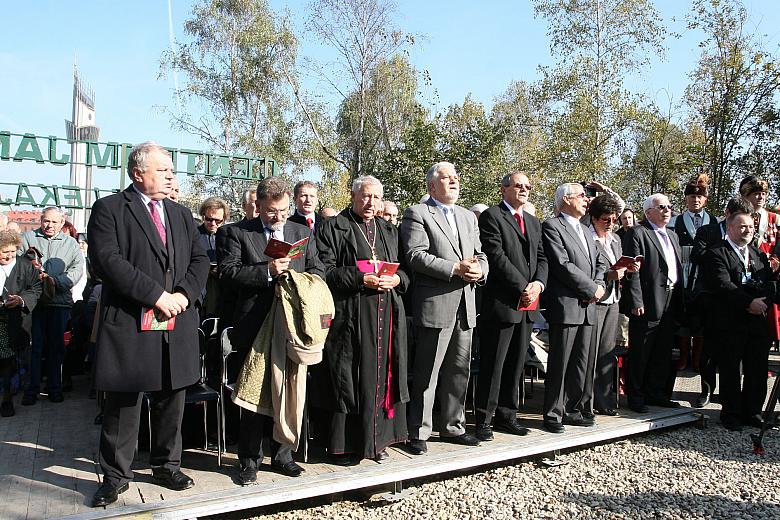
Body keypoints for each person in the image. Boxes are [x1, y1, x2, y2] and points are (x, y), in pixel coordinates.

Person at [87, 141, 209, 507]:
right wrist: (156, 296)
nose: (171, 175)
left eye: (171, 169)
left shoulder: (181, 214)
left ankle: (166, 465)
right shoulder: (109, 209)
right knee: (124, 403)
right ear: (138, 173)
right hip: (131, 320)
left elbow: (200, 259)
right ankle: (115, 476)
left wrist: (184, 296)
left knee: (172, 395)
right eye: (163, 169)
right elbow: (108, 261)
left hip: (176, 320)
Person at [217, 176, 323, 483]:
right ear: (258, 206)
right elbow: (227, 272)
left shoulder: (300, 231)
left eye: (283, 210)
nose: (278, 217)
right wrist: (266, 271)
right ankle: (249, 459)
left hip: (291, 324)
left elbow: (317, 269)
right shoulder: (235, 232)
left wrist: (300, 280)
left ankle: (282, 455)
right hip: (254, 324)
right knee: (254, 392)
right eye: (270, 212)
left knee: (289, 388)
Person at [313, 175, 410, 463]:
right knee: (350, 379)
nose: (371, 203)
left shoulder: (389, 230)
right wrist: (360, 278)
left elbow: (406, 271)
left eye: (376, 197)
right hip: (352, 315)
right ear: (353, 196)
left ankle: (378, 441)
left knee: (383, 376)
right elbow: (325, 271)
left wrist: (397, 280)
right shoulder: (333, 227)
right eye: (366, 196)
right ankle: (347, 446)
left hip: (386, 314)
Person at [400, 161, 488, 454]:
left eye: (455, 177)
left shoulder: (467, 217)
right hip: (436, 305)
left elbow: (480, 255)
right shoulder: (418, 213)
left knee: (459, 371)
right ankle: (419, 431)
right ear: (431, 186)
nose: (453, 181)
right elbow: (415, 255)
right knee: (428, 373)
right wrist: (454, 268)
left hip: (466, 304)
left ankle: (453, 427)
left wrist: (481, 271)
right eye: (445, 178)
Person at [474, 172, 547, 441]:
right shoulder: (493, 216)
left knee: (517, 363)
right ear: (504, 189)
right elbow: (496, 256)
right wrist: (522, 287)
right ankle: (484, 419)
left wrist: (538, 284)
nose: (524, 189)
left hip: (528, 304)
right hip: (504, 302)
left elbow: (541, 256)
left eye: (528, 186)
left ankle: (508, 415)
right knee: (494, 364)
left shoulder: (532, 221)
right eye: (519, 185)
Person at [700, 211, 778, 431]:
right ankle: (731, 413)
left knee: (757, 369)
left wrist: (763, 301)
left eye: (751, 227)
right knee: (730, 369)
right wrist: (748, 302)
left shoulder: (758, 255)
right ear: (730, 228)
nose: (748, 231)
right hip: (730, 322)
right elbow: (722, 285)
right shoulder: (716, 254)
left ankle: (753, 412)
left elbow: (768, 282)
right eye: (742, 227)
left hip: (757, 322)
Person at [540, 183, 607, 434]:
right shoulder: (552, 226)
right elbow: (562, 264)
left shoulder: (587, 230)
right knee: (561, 362)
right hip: (568, 304)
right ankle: (553, 414)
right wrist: (590, 289)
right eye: (581, 196)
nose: (586, 200)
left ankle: (573, 409)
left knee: (581, 362)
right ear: (566, 199)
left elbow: (600, 260)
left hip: (589, 305)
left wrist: (598, 286)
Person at [690, 198, 754, 407]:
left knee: (734, 354)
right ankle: (706, 390)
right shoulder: (708, 232)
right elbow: (697, 255)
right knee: (709, 350)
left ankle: (732, 396)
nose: (744, 227)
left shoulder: (747, 233)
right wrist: (724, 252)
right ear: (727, 215)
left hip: (738, 300)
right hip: (712, 298)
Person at [622, 193, 683, 413]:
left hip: (671, 298)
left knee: (662, 350)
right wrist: (636, 299)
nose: (667, 210)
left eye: (669, 206)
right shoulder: (638, 233)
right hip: (647, 301)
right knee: (641, 351)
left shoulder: (673, 235)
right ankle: (635, 395)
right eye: (661, 207)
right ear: (648, 212)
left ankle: (655, 393)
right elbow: (632, 270)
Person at [20, 207, 84, 405]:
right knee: (35, 347)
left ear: (62, 222)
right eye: (46, 221)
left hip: (60, 302)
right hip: (34, 303)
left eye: (54, 222)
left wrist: (57, 282)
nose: (49, 225)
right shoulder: (28, 238)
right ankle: (32, 389)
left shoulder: (70, 243)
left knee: (57, 347)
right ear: (41, 220)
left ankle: (55, 388)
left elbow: (77, 269)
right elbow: (19, 264)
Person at [585, 195, 638, 416]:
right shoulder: (587, 237)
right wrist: (609, 274)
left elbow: (618, 266)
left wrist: (628, 269)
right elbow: (588, 271)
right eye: (606, 219)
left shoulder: (615, 239)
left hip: (613, 300)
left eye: (614, 219)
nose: (611, 223)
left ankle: (603, 399)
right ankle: (585, 400)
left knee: (607, 353)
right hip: (594, 300)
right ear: (594, 218)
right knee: (589, 353)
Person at [668, 175, 712, 371]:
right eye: (691, 196)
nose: (695, 200)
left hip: (705, 275)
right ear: (685, 199)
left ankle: (698, 358)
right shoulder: (674, 222)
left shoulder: (714, 222)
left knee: (702, 319)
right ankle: (684, 356)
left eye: (699, 197)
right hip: (681, 273)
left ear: (705, 199)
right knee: (684, 318)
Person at [0, 230, 42, 417]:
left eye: (12, 251)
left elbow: (36, 288)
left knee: (9, 361)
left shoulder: (25, 265)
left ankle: (7, 399)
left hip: (16, 320)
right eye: (4, 252)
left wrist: (21, 300)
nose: (9, 256)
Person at [197, 197, 229, 321]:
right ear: (203, 216)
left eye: (218, 221)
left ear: (224, 219)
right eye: (209, 219)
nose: (213, 224)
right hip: (200, 286)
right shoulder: (194, 234)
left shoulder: (228, 236)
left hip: (221, 287)